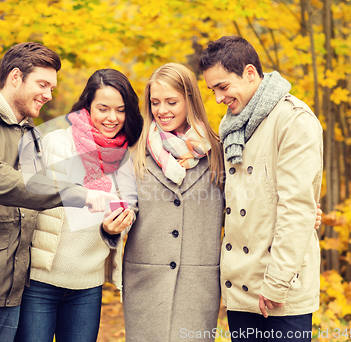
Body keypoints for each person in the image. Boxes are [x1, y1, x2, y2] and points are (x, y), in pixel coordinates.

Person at [0, 42, 115, 342]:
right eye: (42, 84)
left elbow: (36, 202)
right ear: (16, 77)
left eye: (52, 88)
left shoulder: (31, 134)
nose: (48, 95)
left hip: (11, 289)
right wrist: (78, 194)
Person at [199, 36, 323, 341]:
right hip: (241, 288)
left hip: (279, 291)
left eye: (223, 87)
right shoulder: (235, 126)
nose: (217, 99)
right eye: (212, 90)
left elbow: (296, 208)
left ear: (250, 73)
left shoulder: (293, 120)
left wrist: (277, 283)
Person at [14, 69, 143, 342]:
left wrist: (115, 225)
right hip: (40, 282)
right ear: (87, 105)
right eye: (103, 108)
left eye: (120, 110)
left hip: (88, 286)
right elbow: (24, 195)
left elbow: (129, 206)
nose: (112, 118)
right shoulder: (54, 141)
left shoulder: (123, 156)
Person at [123, 62, 226, 342]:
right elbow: (123, 205)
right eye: (155, 102)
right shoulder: (135, 152)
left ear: (189, 100)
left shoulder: (218, 152)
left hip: (198, 284)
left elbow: (241, 208)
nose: (162, 110)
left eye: (171, 102)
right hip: (144, 282)